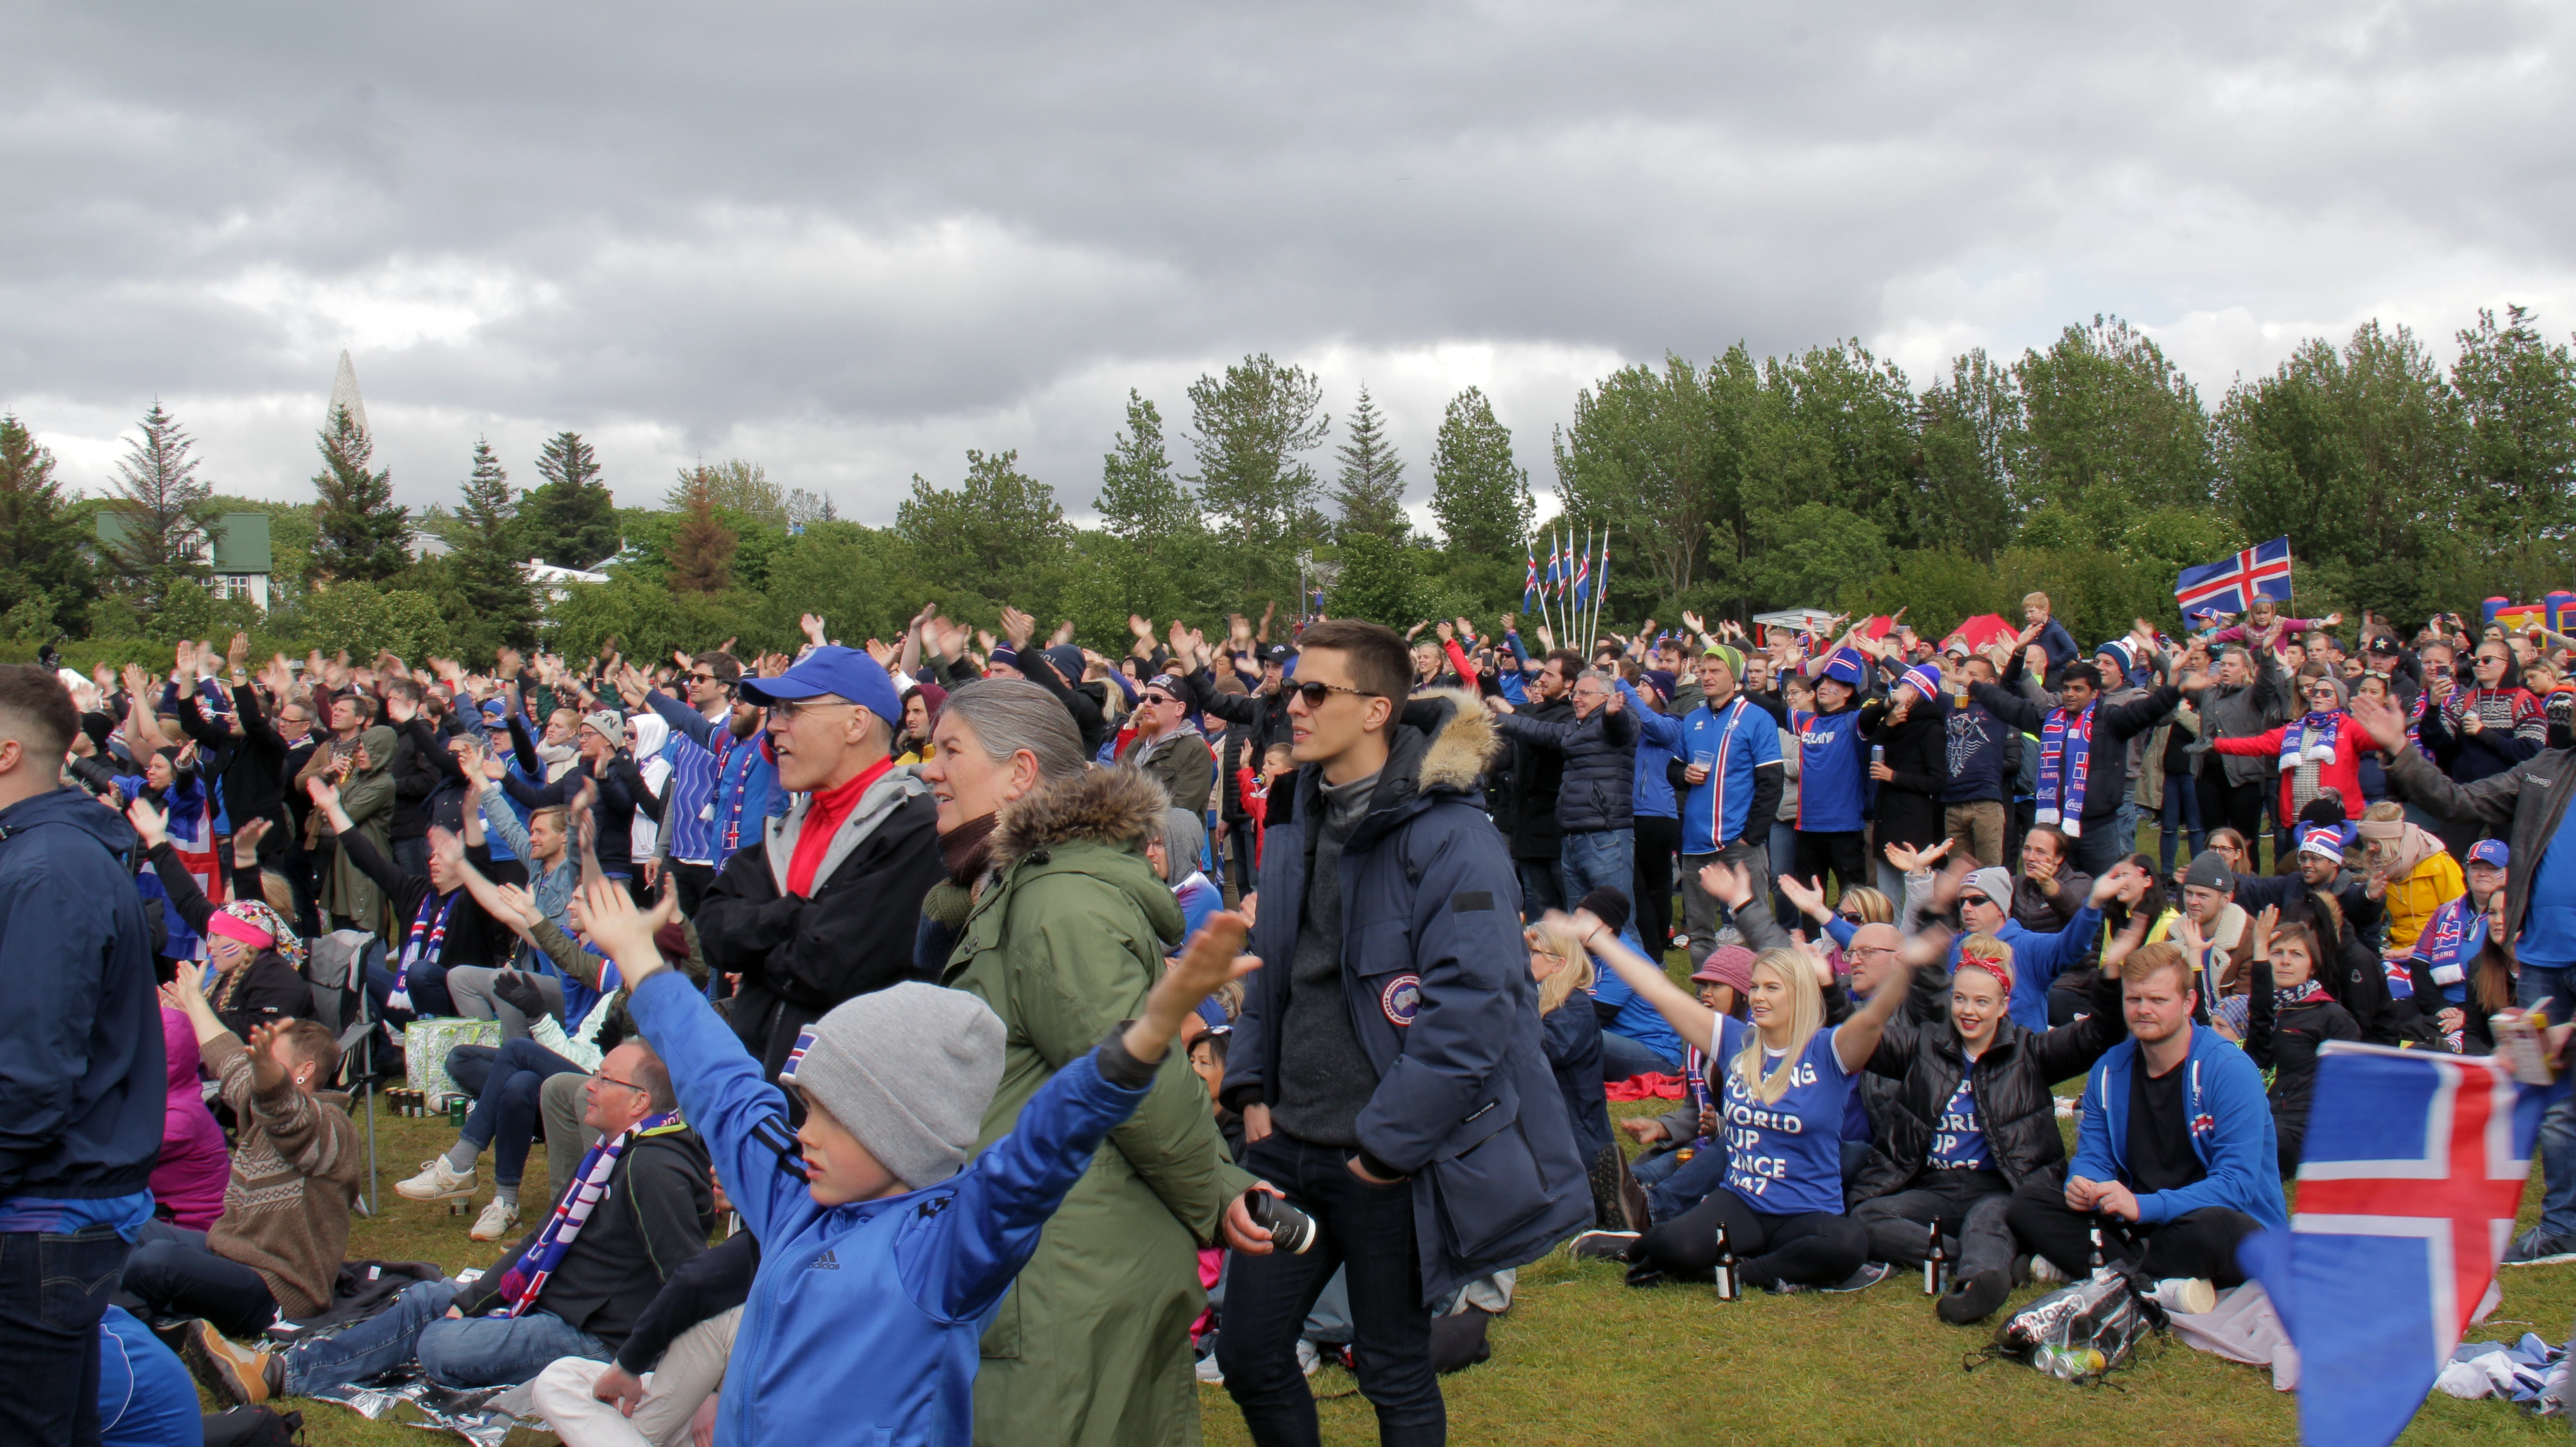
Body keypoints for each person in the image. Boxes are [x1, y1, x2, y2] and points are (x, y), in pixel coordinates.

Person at [598, 858, 1260, 1445]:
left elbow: (1037, 1154)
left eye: (834, 1116)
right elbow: (724, 1085)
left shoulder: (942, 1250)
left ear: (900, 1131)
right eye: (808, 1108)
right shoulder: (792, 1196)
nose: (805, 1134)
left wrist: (1138, 1044)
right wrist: (641, 964)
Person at [1217, 620, 1590, 1446]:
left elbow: (1475, 1009)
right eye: (1289, 690)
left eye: (1316, 692)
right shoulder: (1290, 811)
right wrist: (1248, 1087)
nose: (1294, 708)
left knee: (1392, 1368)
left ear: (1378, 708)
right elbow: (1275, 959)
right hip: (1286, 1142)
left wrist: (1383, 1152)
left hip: (1381, 1158)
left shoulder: (1451, 834)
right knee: (1247, 1353)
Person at [938, 703, 1258, 1447]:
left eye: (951, 748)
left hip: (1067, 1266)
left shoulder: (1059, 902)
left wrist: (1222, 1195)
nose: (930, 765)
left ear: (1020, 773)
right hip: (1061, 1245)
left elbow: (1129, 1081)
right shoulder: (1023, 888)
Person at [192, 1037, 712, 1404]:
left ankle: (291, 1372)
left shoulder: (652, 1168)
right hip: (553, 1298)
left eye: (605, 1077)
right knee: (427, 1300)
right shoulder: (615, 1149)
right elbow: (540, 1239)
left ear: (640, 1100)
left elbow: (687, 1278)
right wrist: (476, 1300)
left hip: (595, 1335)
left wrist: (663, 1371)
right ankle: (280, 1373)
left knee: (439, 1344)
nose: (591, 1084)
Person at [0, 665, 163, 1447]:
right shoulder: (49, 856)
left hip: (43, 1207)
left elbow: (31, 1075)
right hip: (58, 1199)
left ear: (5, 753)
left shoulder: (46, 873)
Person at [1585, 913, 1922, 1291]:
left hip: (1808, 1213)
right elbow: (1660, 992)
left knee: (1848, 1244)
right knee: (1671, 1245)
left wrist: (1908, 968)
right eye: (1756, 987)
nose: (1759, 997)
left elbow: (1874, 1019)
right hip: (1740, 1203)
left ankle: (1743, 1273)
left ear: (1799, 995)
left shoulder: (1828, 1050)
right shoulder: (1735, 1039)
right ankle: (1638, 1247)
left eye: (1772, 988)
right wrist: (1600, 940)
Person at [1851, 930, 2132, 1324]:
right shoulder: (1924, 1045)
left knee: (1988, 1221)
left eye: (1982, 1002)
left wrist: (2111, 972)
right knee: (1868, 1218)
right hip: (1937, 1187)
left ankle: (1974, 1286)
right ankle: (1989, 1257)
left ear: (2003, 1006)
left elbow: (2101, 1033)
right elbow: (1860, 1042)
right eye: (1961, 999)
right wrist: (1830, 991)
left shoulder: (2031, 1052)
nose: (1969, 1011)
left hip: (1999, 1186)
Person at [698, 646, 946, 1085]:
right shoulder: (790, 827)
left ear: (856, 723)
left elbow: (827, 968)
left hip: (841, 1118)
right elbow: (713, 929)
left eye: (792, 710)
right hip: (756, 1098)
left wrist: (756, 947)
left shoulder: (916, 827)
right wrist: (798, 915)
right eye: (775, 710)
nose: (773, 725)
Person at [2004, 943, 2286, 1291]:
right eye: (2134, 999)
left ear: (2188, 1003)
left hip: (2211, 1217)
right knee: (2030, 1199)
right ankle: (2141, 1276)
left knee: (2218, 1231)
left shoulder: (2229, 1071)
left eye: (2157, 1000)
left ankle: (2102, 1268)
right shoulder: (2110, 1068)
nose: (2143, 1010)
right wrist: (2084, 1182)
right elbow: (2095, 1156)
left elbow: (2235, 1186)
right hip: (2139, 1219)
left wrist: (2142, 1205)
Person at [127, 975, 356, 1342]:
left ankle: (148, 1326)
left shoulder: (330, 1126)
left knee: (156, 1262)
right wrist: (193, 1001)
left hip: (276, 1289)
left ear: (304, 1072)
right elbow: (227, 1060)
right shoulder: (260, 1108)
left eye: (268, 1057)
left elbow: (287, 1113)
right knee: (125, 1229)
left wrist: (266, 1069)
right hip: (226, 1255)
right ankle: (146, 1319)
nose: (255, 1063)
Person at [530, 1229, 756, 1447]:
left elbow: (695, 1282)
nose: (720, 1187)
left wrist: (628, 1365)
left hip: (752, 1419)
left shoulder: (780, 1224)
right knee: (563, 1377)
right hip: (713, 1404)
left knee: (556, 1383)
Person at [1971, 656, 2188, 877]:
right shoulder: (2051, 720)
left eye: (2078, 689)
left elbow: (2148, 710)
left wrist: (2176, 688)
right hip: (2057, 827)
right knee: (2056, 893)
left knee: (2103, 895)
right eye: (2066, 689)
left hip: (2099, 829)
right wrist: (1974, 685)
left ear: (2095, 693)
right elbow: (2010, 706)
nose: (2070, 694)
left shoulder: (2112, 721)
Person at [631, 651, 782, 917]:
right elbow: (689, 721)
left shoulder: (772, 748)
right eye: (735, 696)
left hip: (757, 872)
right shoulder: (728, 744)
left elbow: (784, 727)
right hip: (722, 866)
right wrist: (649, 692)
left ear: (763, 707)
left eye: (744, 699)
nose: (734, 703)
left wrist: (775, 696)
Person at [1487, 666, 1641, 905]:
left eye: (1584, 694)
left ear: (1606, 698)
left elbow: (1622, 729)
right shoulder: (1575, 727)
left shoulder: (1622, 717)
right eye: (1575, 694)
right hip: (1572, 834)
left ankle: (1626, 946)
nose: (1576, 700)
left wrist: (1613, 714)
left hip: (1605, 832)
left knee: (1615, 916)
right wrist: (1499, 719)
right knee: (1580, 918)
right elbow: (1538, 730)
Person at [1671, 644, 1783, 966]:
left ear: (1735, 677)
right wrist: (1684, 774)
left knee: (1751, 924)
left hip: (1738, 838)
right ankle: (1706, 996)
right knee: (1699, 929)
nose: (1706, 677)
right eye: (1703, 671)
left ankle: (1759, 992)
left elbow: (1771, 781)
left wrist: (1753, 836)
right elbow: (1673, 769)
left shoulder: (1757, 718)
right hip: (1696, 841)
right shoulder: (1693, 719)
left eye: (1715, 671)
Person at [2243, 907, 2360, 1174]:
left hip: (2307, 1126)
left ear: (2312, 967)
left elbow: (2349, 1086)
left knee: (2256, 1146)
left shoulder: (2332, 1016)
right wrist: (2260, 945)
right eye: (2278, 953)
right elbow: (2258, 1052)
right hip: (2269, 1112)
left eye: (2296, 955)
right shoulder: (2272, 1009)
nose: (2285, 961)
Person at [1528, 916, 1623, 1228]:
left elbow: (1543, 1051)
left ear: (1559, 963)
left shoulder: (1575, 1007)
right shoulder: (1541, 1000)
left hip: (1579, 1140)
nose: (1524, 959)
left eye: (1532, 952)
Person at [1951, 863, 2117, 1031]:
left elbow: (2071, 945)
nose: (1966, 908)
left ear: (2000, 907)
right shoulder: (1953, 947)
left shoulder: (2028, 947)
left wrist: (2093, 904)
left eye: (1976, 900)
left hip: (2020, 1054)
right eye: (1962, 901)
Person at [2210, 673, 2368, 831]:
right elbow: (2257, 744)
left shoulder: (2349, 727)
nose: (2318, 696)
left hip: (2337, 816)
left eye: (2326, 693)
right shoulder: (2295, 728)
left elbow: (2377, 739)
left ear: (2339, 700)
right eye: (2315, 692)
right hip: (2299, 817)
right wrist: (2216, 744)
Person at [1494, 648, 1579, 916]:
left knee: (1568, 903)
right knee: (1537, 902)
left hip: (1556, 824)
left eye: (1550, 675)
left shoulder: (1573, 717)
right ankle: (1544, 956)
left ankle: (1576, 958)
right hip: (1528, 823)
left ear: (1569, 683)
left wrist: (1509, 715)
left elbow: (1543, 737)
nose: (1542, 680)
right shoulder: (1536, 712)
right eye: (1542, 673)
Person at [1121, 674, 1216, 817]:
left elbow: (1182, 808)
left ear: (1180, 709)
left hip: (1168, 837)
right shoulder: (1136, 744)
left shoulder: (1195, 749)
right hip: (1126, 835)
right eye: (1144, 697)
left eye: (1156, 699)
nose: (1146, 703)